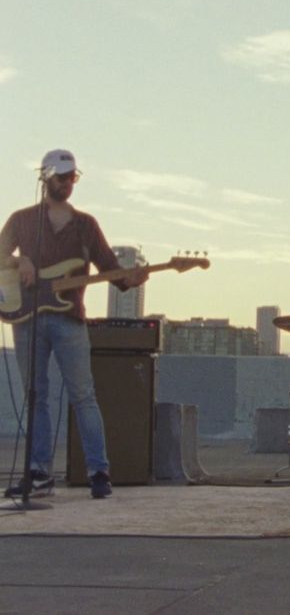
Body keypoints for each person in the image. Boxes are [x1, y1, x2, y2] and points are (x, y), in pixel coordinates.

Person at [1, 150, 147, 499]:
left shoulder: (86, 225)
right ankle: (39, 474)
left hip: (70, 319)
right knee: (35, 395)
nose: (68, 183)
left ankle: (99, 471)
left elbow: (111, 269)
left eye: (72, 178)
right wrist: (20, 261)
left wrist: (133, 278)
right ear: (46, 178)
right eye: (62, 177)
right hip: (27, 319)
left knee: (84, 396)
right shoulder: (22, 220)